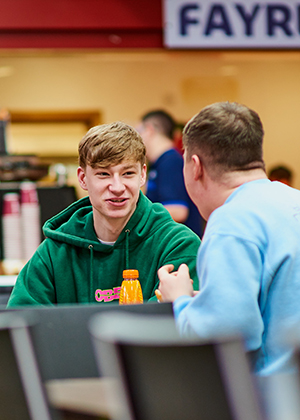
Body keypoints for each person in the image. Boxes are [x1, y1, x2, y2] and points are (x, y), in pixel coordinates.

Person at [157, 102, 300, 376]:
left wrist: (180, 301)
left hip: (276, 403)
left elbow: (225, 338)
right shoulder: (294, 200)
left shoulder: (231, 222)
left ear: (195, 167)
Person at [7, 121, 200, 307]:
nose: (117, 187)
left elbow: (183, 327)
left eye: (127, 174)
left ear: (142, 175)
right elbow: (21, 323)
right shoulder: (54, 253)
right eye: (103, 174)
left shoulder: (178, 245)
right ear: (83, 179)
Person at [138, 109, 205, 238]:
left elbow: (178, 210)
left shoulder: (171, 162)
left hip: (179, 246)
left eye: (139, 131)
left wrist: (135, 215)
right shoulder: (160, 163)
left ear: (149, 130)